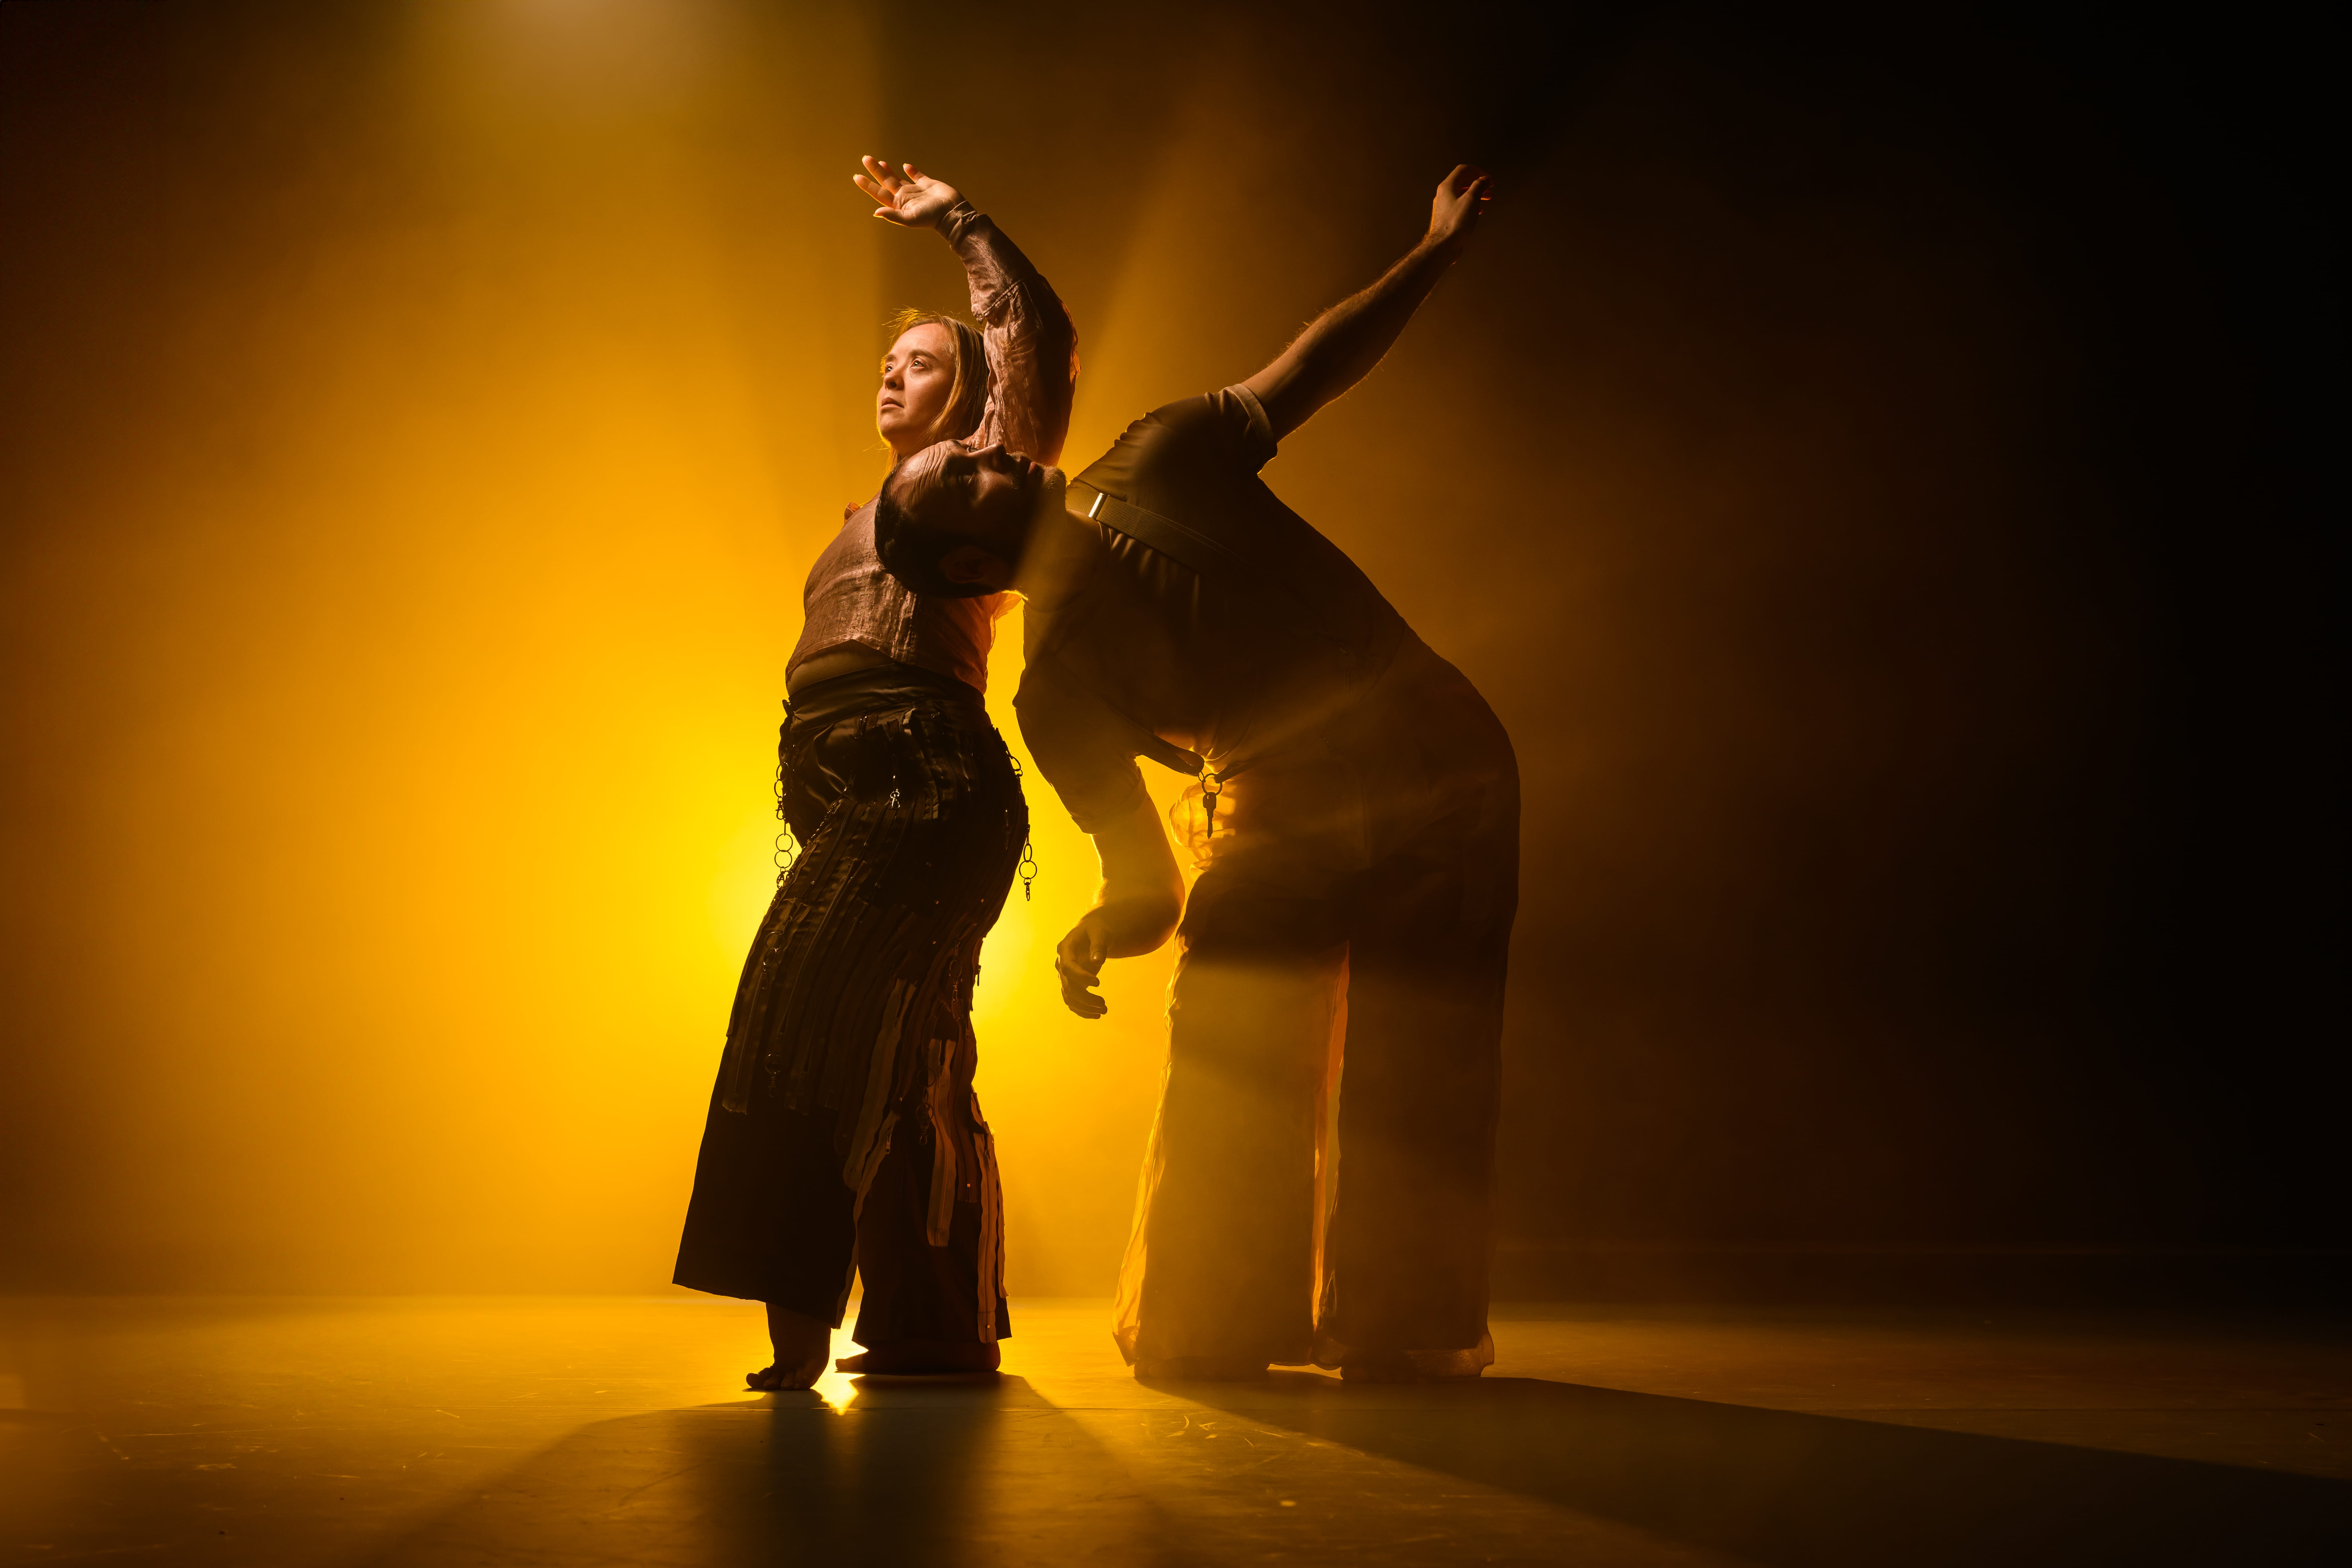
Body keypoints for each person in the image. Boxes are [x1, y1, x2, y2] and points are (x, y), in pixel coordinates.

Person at [871, 165, 1517, 1382]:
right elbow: (1153, 884)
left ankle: (1405, 1330)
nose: (983, 451)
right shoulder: (1052, 693)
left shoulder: (1159, 457)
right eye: (962, 473)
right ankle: (1217, 1324)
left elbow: (1310, 366)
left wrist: (1432, 252)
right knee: (1230, 1023)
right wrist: (1101, 930)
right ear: (972, 554)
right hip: (1284, 809)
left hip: (1443, 762)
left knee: (1421, 1050)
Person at [672, 158, 1075, 1391]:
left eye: (923, 360)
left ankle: (802, 1323)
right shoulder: (865, 511)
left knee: (806, 1023)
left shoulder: (974, 486)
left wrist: (958, 222)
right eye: (889, 360)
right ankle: (929, 1323)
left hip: (927, 781)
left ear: (972, 400)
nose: (893, 373)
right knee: (911, 1052)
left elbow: (1035, 345)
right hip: (859, 791)